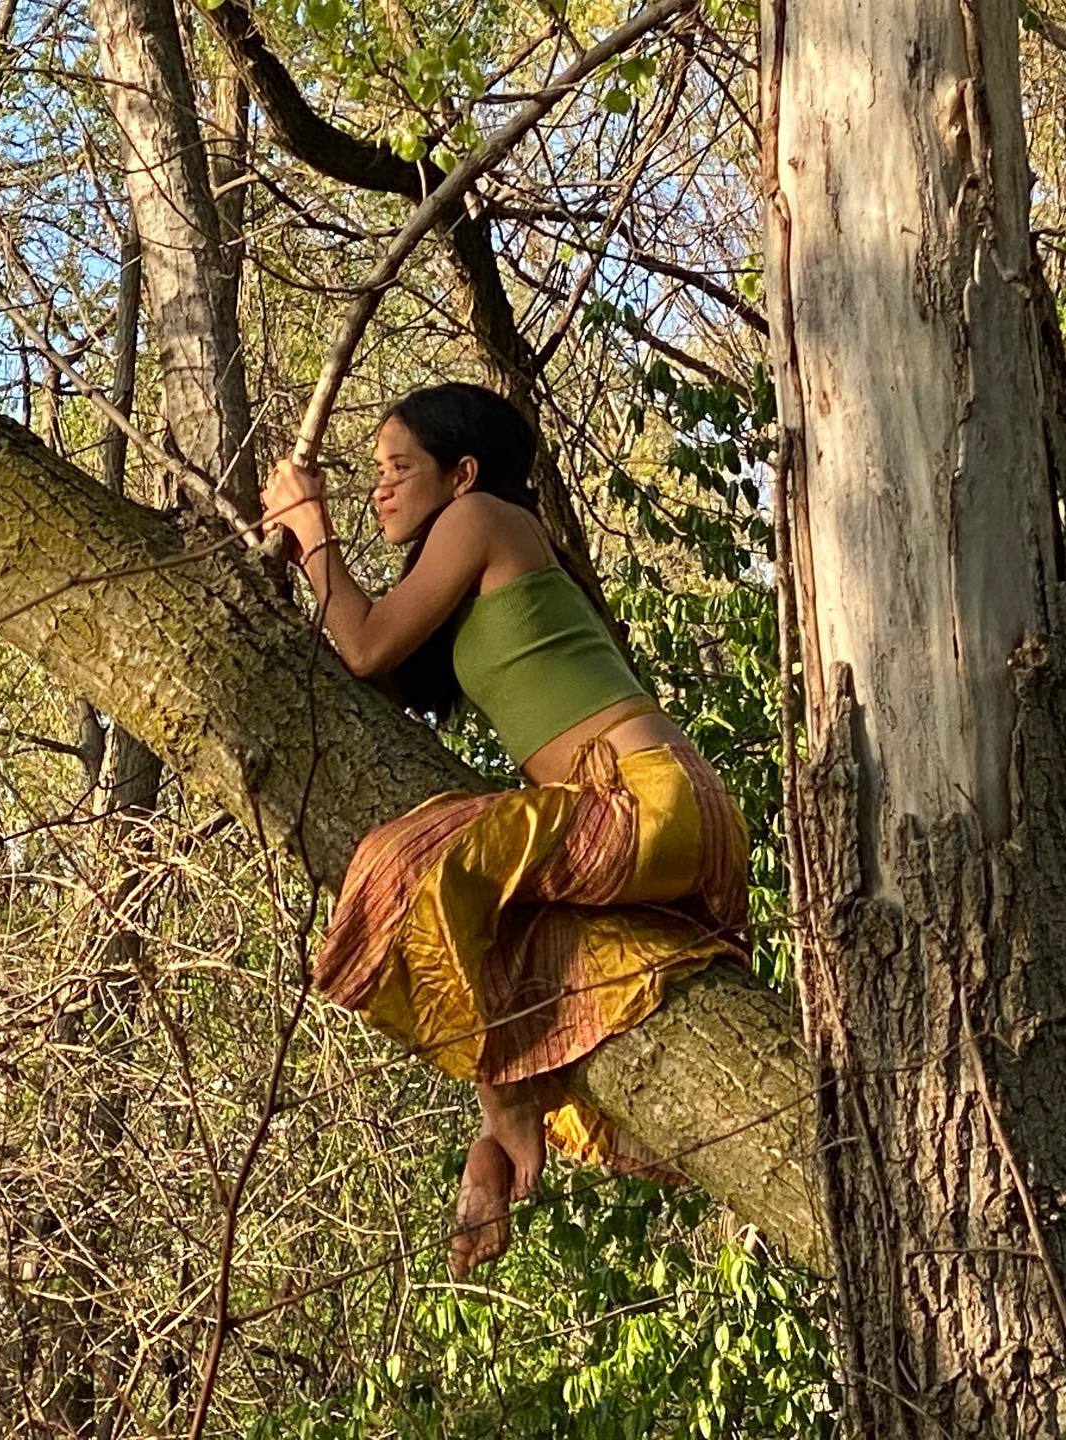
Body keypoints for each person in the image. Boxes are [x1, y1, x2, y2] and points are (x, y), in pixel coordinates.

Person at [261, 383, 749, 1278]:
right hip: (662, 815)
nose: (379, 487)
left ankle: (505, 1105)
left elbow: (365, 645)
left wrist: (312, 527)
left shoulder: (482, 518)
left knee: (411, 859)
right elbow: (376, 672)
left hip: (646, 801)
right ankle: (498, 1131)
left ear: (463, 474)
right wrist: (302, 560)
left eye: (399, 467)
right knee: (515, 943)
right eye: (374, 471)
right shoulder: (475, 566)